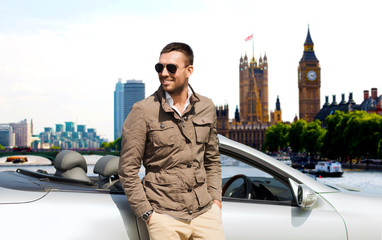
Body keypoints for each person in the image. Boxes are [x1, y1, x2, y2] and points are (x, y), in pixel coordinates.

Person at [118, 42, 225, 240]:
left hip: (205, 213)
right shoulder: (142, 111)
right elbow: (128, 169)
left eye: (171, 68)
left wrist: (215, 201)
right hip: (164, 216)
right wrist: (148, 214)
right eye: (160, 67)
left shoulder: (206, 107)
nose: (164, 73)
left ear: (189, 70)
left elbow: (212, 160)